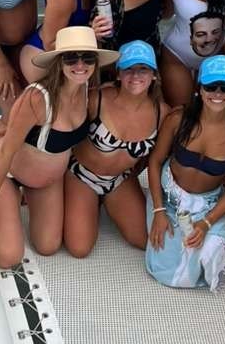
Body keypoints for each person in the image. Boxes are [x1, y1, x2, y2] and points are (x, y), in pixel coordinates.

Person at [0, 27, 118, 267]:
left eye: (87, 57)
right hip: (7, 172)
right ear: (59, 61)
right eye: (71, 57)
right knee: (8, 257)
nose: (80, 65)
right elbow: (6, 152)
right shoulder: (37, 97)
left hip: (46, 181)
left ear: (95, 63)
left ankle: (16, 200)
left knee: (48, 246)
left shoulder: (88, 91)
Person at [146, 55, 225, 291]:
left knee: (210, 260)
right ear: (199, 88)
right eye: (210, 86)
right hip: (169, 198)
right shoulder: (178, 119)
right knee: (166, 271)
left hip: (209, 204)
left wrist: (206, 223)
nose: (218, 93)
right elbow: (154, 163)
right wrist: (159, 210)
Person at [64, 41, 169, 257]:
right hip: (80, 175)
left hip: (120, 180)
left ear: (154, 75)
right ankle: (85, 200)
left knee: (147, 241)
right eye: (128, 68)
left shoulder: (163, 113)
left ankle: (104, 203)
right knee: (79, 248)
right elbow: (58, 122)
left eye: (143, 69)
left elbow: (158, 159)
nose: (136, 75)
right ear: (118, 74)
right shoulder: (96, 98)